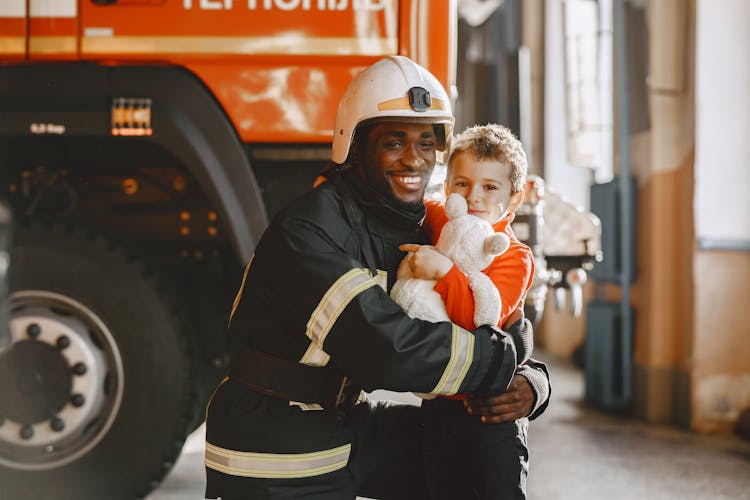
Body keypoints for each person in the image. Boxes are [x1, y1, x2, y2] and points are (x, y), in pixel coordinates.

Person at [204, 55, 550, 500]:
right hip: (276, 441)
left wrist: (530, 384)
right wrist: (499, 363)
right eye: (394, 142)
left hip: (341, 414)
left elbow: (499, 315)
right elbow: (388, 350)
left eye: (426, 143)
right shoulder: (309, 232)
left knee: (475, 447)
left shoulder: (405, 221)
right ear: (356, 145)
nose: (414, 159)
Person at [401, 123, 534, 499]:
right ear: (447, 187)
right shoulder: (442, 219)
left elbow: (481, 319)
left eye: (490, 187)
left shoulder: (514, 257)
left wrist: (444, 272)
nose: (474, 197)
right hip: (439, 409)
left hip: (492, 419)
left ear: (513, 198)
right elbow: (400, 205)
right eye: (462, 183)